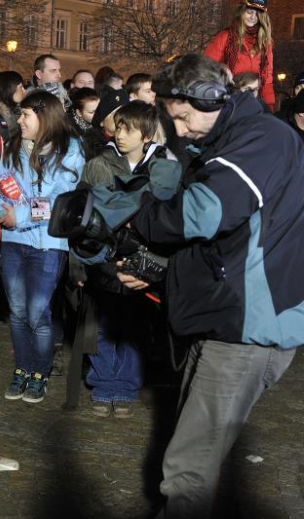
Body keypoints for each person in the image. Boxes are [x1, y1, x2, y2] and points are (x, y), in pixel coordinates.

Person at [117, 53, 304, 518]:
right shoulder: (231, 139)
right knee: (191, 452)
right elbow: (232, 242)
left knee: (189, 467)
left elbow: (204, 214)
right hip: (225, 317)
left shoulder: (264, 138)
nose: (178, 130)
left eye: (181, 116)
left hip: (246, 327)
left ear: (213, 96)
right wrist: (160, 267)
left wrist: (136, 217)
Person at [81, 101, 174, 418]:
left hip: (142, 261)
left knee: (135, 327)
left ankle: (126, 386)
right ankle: (103, 383)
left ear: (146, 135)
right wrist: (79, 262)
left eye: (128, 129)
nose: (120, 134)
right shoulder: (99, 163)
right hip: (104, 257)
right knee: (103, 326)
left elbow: (169, 219)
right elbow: (81, 214)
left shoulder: (164, 168)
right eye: (118, 126)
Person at [0, 90, 84, 403]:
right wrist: (2, 213)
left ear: (44, 116)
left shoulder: (69, 150)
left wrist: (18, 215)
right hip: (13, 243)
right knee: (18, 312)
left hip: (48, 244)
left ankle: (40, 373)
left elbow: (59, 200)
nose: (19, 121)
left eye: (26, 115)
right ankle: (22, 368)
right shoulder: (12, 147)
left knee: (38, 311)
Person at [204, 0, 274, 109]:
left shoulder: (265, 43)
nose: (253, 17)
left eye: (257, 14)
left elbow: (267, 79)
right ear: (241, 11)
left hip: (253, 101)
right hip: (229, 100)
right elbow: (206, 66)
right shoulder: (226, 37)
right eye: (249, 12)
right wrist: (222, 69)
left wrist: (269, 106)